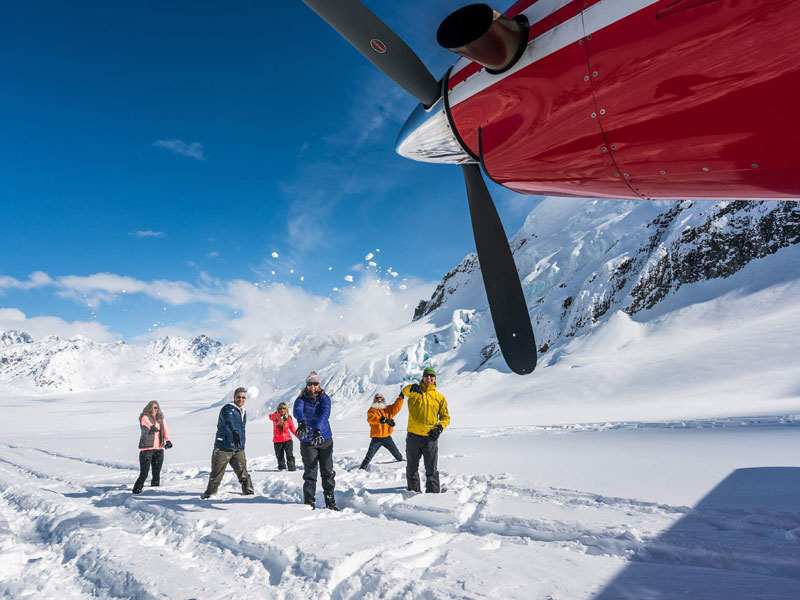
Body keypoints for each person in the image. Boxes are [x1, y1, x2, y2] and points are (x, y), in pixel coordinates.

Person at [294, 371, 337, 510]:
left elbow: (325, 413)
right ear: (306, 385)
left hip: (324, 439)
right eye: (310, 384)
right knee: (310, 473)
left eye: (315, 383)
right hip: (308, 441)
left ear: (319, 384)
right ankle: (309, 503)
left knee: (327, 472)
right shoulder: (301, 399)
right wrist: (301, 422)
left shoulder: (325, 398)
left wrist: (318, 429)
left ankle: (330, 502)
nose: (313, 386)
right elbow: (298, 411)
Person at [402, 367, 450, 493]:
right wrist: (412, 387)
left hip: (430, 438)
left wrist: (439, 428)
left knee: (431, 469)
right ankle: (413, 494)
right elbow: (404, 391)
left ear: (435, 379)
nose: (429, 378)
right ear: (423, 378)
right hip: (413, 437)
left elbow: (445, 417)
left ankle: (433, 497)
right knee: (411, 468)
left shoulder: (439, 397)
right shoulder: (414, 392)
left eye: (431, 376)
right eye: (426, 375)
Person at [202, 387, 254, 498]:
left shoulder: (242, 411)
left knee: (243, 473)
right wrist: (234, 431)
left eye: (243, 397)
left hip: (238, 448)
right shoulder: (228, 409)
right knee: (217, 475)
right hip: (223, 448)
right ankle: (209, 495)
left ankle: (249, 494)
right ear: (234, 397)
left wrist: (241, 442)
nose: (241, 399)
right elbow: (228, 421)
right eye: (238, 397)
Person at [133, 400, 172, 494]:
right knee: (144, 472)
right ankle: (136, 490)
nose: (155, 409)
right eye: (153, 407)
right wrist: (151, 426)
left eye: (156, 407)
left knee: (156, 472)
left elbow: (165, 430)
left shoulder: (161, 418)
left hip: (159, 449)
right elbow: (146, 423)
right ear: (149, 407)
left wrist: (168, 441)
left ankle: (154, 491)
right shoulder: (144, 417)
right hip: (147, 449)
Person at [359, 392, 404, 470]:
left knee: (397, 453)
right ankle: (362, 468)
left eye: (381, 397)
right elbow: (371, 419)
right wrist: (382, 420)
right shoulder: (372, 410)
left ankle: (402, 462)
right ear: (374, 399)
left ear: (383, 399)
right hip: (376, 438)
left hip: (387, 437)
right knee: (369, 456)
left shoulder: (387, 409)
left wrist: (401, 397)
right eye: (377, 398)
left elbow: (396, 407)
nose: (379, 399)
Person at [269, 402, 297, 471]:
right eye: (280, 408)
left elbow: (292, 429)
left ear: (286, 409)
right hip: (277, 440)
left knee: (290, 455)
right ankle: (282, 470)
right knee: (279, 457)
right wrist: (279, 416)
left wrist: (300, 437)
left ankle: (292, 469)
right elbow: (270, 416)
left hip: (287, 439)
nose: (282, 410)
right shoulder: (274, 416)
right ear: (278, 409)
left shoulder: (288, 418)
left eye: (284, 408)